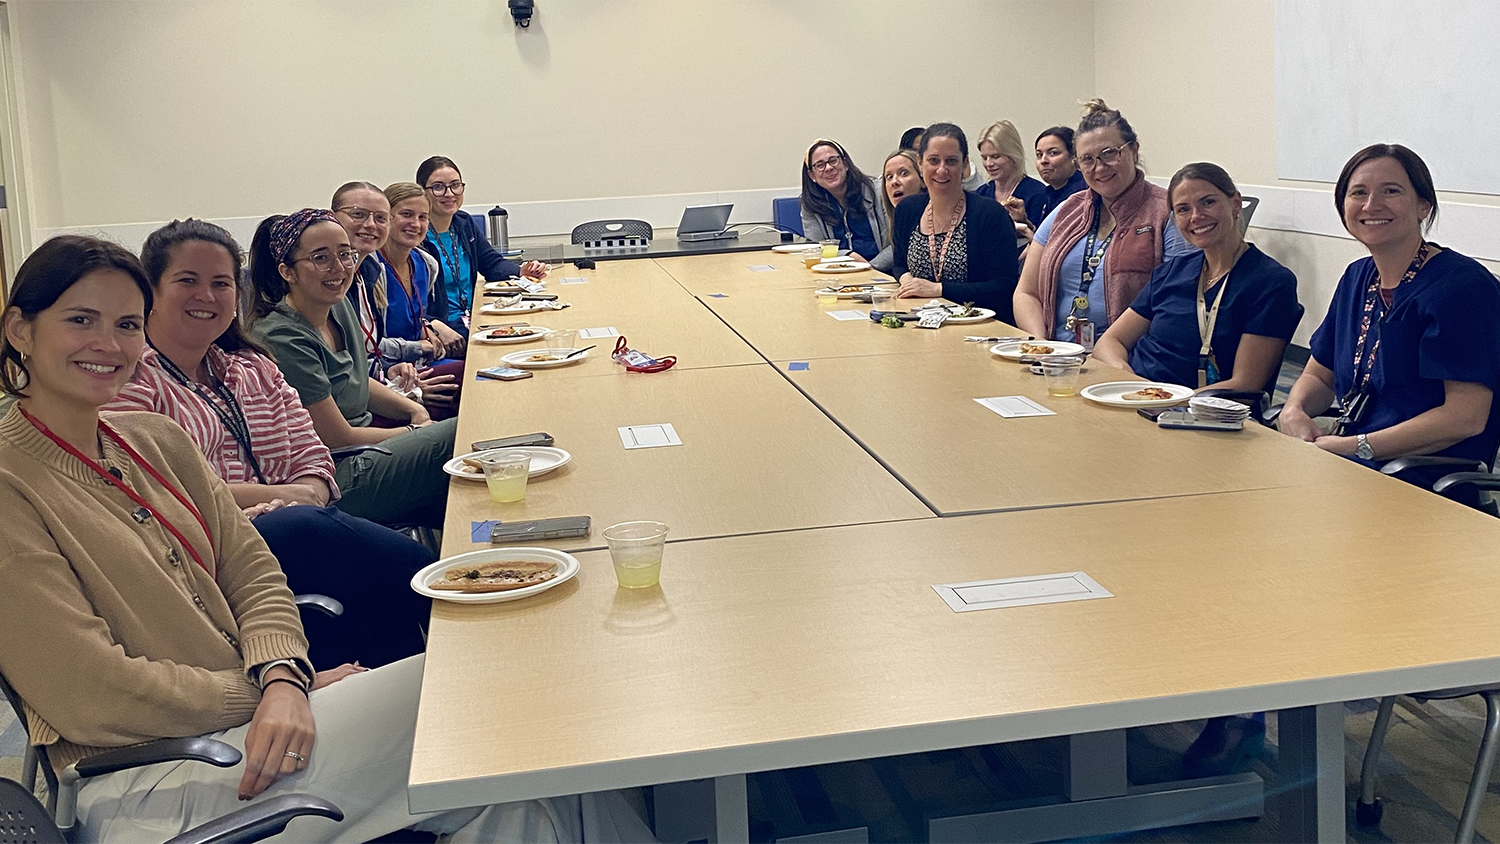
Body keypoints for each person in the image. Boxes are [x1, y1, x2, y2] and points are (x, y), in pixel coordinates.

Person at [0, 235, 658, 844]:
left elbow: (254, 572)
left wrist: (284, 673)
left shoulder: (152, 442)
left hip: (250, 725)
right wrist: (279, 688)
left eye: (126, 324)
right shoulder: (11, 486)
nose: (109, 344)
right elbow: (91, 690)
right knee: (493, 691)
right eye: (80, 320)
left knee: (513, 799)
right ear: (19, 330)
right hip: (152, 778)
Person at [104, 218, 432, 669]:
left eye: (221, 283)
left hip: (297, 521)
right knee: (310, 532)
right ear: (150, 292)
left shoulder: (251, 368)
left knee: (374, 601)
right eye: (188, 281)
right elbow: (164, 490)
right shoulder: (131, 381)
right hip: (210, 548)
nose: (207, 296)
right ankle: (466, 610)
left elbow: (313, 452)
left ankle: (417, 697)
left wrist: (306, 493)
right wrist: (287, 500)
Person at [1279, 144, 1500, 504]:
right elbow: (1320, 376)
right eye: (1358, 193)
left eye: (1391, 191)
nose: (1371, 206)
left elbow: (1465, 418)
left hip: (1423, 487)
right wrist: (1295, 410)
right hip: (1351, 470)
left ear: (1423, 205)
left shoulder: (1461, 288)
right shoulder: (1357, 277)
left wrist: (1356, 446)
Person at [248, 209, 456, 530]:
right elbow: (337, 438)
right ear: (287, 272)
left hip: (369, 449)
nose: (339, 268)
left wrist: (414, 409)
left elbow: (357, 382)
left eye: (345, 254)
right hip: (338, 475)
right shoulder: (281, 335)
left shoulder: (338, 304)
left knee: (460, 479)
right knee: (462, 433)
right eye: (321, 258)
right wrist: (417, 432)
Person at [1094, 163, 1301, 392]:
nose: (1196, 216)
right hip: (1137, 394)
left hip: (1195, 411)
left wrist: (1165, 400)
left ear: (1235, 204)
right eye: (1183, 209)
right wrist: (1127, 378)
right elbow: (1109, 342)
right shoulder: (1171, 272)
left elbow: (1245, 386)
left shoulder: (1270, 282)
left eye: (1208, 202)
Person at [1013, 99, 1192, 343]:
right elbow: (1026, 292)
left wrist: (1113, 352)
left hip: (1130, 360)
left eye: (1109, 154)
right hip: (1057, 357)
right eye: (1087, 159)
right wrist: (1042, 346)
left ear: (1134, 150)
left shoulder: (1165, 213)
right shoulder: (1067, 211)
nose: (1099, 168)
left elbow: (1175, 305)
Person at [891, 123, 1021, 322]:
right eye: (933, 160)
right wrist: (906, 279)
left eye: (951, 161)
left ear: (964, 164)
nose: (942, 170)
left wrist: (938, 289)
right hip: (920, 320)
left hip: (979, 326)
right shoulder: (907, 210)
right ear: (920, 163)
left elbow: (1003, 286)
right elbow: (899, 263)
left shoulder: (990, 214)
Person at [418, 155, 547, 336]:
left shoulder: (463, 223)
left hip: (476, 317)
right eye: (438, 187)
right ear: (423, 192)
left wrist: (521, 271)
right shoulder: (416, 236)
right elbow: (412, 304)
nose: (449, 194)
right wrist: (433, 326)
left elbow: (492, 264)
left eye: (455, 185)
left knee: (537, 325)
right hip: (445, 328)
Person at [378, 182, 464, 419]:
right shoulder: (371, 270)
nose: (415, 224)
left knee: (481, 376)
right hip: (389, 375)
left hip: (419, 366)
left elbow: (418, 316)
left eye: (422, 217)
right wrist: (419, 350)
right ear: (387, 218)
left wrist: (428, 328)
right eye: (406, 215)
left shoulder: (425, 264)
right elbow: (367, 345)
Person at [799, 139, 890, 267]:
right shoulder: (810, 206)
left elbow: (897, 245)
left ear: (845, 164)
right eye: (820, 165)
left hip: (883, 271)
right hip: (836, 272)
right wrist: (847, 256)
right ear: (811, 175)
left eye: (833, 160)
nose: (829, 168)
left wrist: (869, 267)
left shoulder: (879, 192)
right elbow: (817, 249)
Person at [975, 120, 1048, 231]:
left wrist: (1024, 221)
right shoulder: (981, 194)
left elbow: (1042, 239)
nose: (988, 164)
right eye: (984, 158)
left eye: (996, 156)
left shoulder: (1037, 194)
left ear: (1013, 155)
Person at [1033, 126, 1087, 223]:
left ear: (1074, 157)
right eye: (1039, 155)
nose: (1043, 161)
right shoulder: (1051, 192)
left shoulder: (1081, 194)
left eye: (1053, 153)